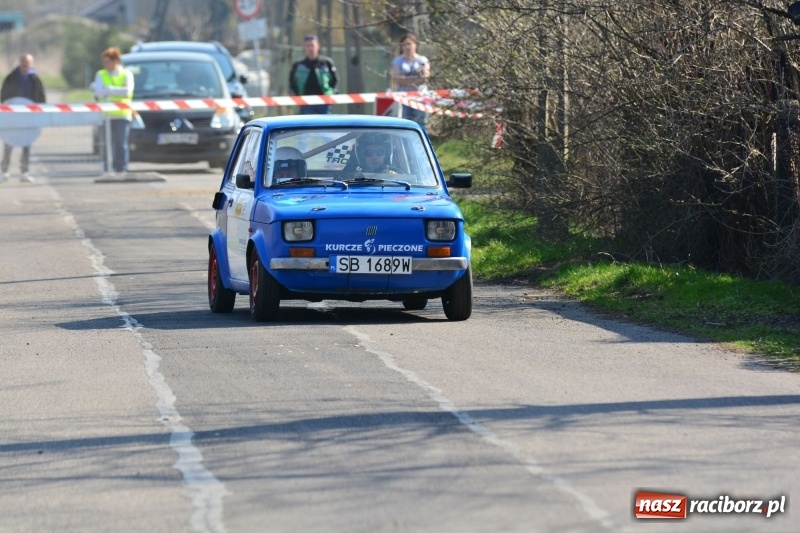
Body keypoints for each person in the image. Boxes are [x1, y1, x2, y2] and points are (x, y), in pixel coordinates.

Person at [1, 53, 46, 183]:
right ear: (20, 63)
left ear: (31, 64)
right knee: (8, 143)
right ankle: (4, 170)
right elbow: (3, 95)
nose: (25, 64)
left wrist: (38, 112)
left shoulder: (35, 79)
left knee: (27, 144)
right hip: (13, 117)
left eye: (27, 62)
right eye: (23, 61)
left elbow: (41, 97)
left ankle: (24, 171)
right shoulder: (11, 77)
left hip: (28, 117)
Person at [91, 47, 134, 174]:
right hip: (106, 116)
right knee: (106, 145)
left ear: (115, 61)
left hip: (122, 115)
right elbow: (98, 92)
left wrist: (108, 89)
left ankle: (122, 169)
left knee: (121, 144)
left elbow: (127, 92)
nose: (105, 64)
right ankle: (106, 169)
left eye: (107, 61)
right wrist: (116, 90)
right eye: (104, 62)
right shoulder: (101, 74)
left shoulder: (126, 74)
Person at [289, 34, 339, 115]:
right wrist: (296, 96)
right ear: (304, 47)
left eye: (312, 45)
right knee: (306, 126)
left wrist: (332, 93)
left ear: (318, 46)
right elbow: (292, 83)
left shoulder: (327, 63)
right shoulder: (298, 65)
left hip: (324, 102)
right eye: (308, 46)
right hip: (305, 102)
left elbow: (335, 81)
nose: (310, 48)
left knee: (325, 125)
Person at [391, 33, 430, 127]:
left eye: (409, 43)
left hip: (420, 97)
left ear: (415, 44)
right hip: (404, 98)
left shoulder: (422, 60)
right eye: (404, 44)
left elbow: (426, 77)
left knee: (421, 123)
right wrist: (415, 80)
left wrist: (407, 80)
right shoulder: (398, 61)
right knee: (405, 123)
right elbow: (396, 78)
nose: (407, 47)